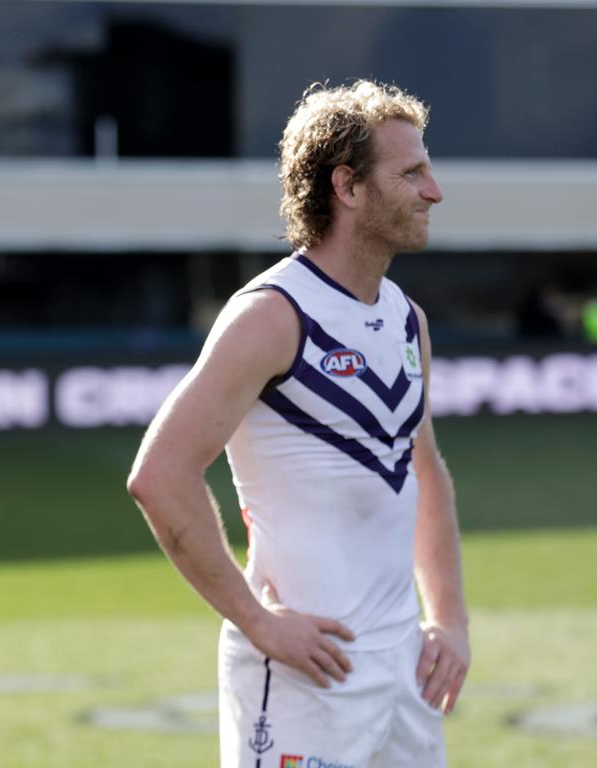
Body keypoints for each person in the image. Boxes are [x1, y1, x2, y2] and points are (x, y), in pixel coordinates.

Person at [128, 80, 469, 767]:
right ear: (347, 186)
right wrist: (255, 621)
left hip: (404, 670)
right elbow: (159, 475)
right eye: (411, 173)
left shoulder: (408, 319)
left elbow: (422, 469)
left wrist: (450, 621)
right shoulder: (271, 315)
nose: (434, 191)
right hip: (303, 680)